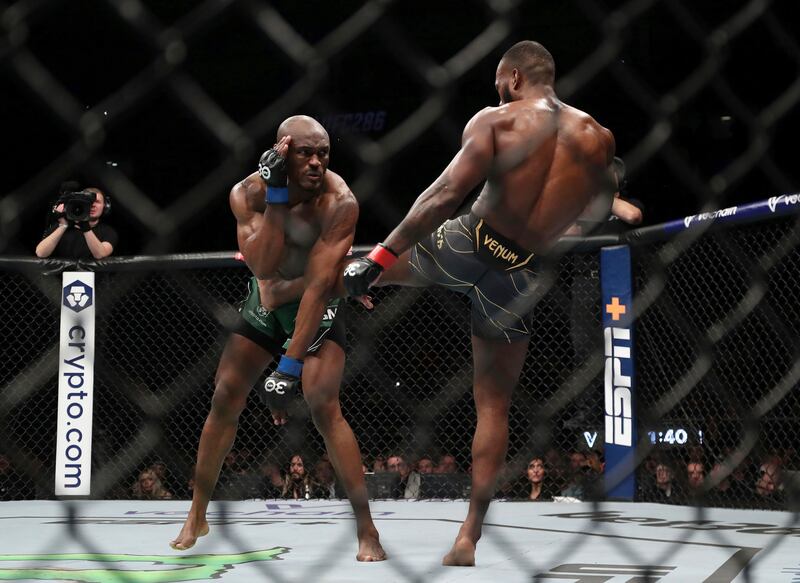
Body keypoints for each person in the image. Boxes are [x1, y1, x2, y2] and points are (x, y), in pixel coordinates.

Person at [343, 41, 640, 566]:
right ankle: (468, 539)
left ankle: (325, 319)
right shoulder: (599, 138)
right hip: (519, 274)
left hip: (470, 241)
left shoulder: (497, 120)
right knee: (493, 405)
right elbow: (595, 207)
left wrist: (381, 260)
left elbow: (442, 195)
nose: (499, 91)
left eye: (501, 83)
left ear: (515, 76)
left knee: (354, 271)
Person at [170, 115, 385, 562]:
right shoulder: (247, 193)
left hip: (315, 301)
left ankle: (368, 531)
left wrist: (288, 369)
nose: (315, 162)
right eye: (305, 152)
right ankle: (197, 514)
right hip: (267, 302)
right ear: (283, 151)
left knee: (323, 403)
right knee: (225, 395)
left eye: (323, 153)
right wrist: (278, 198)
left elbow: (318, 286)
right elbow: (264, 266)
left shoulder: (339, 202)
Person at [35, 184, 117, 259]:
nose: (92, 205)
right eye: (89, 202)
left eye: (97, 202)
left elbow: (100, 254)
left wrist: (85, 227)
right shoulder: (60, 227)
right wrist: (63, 226)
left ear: (105, 207)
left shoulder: (108, 231)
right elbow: (41, 253)